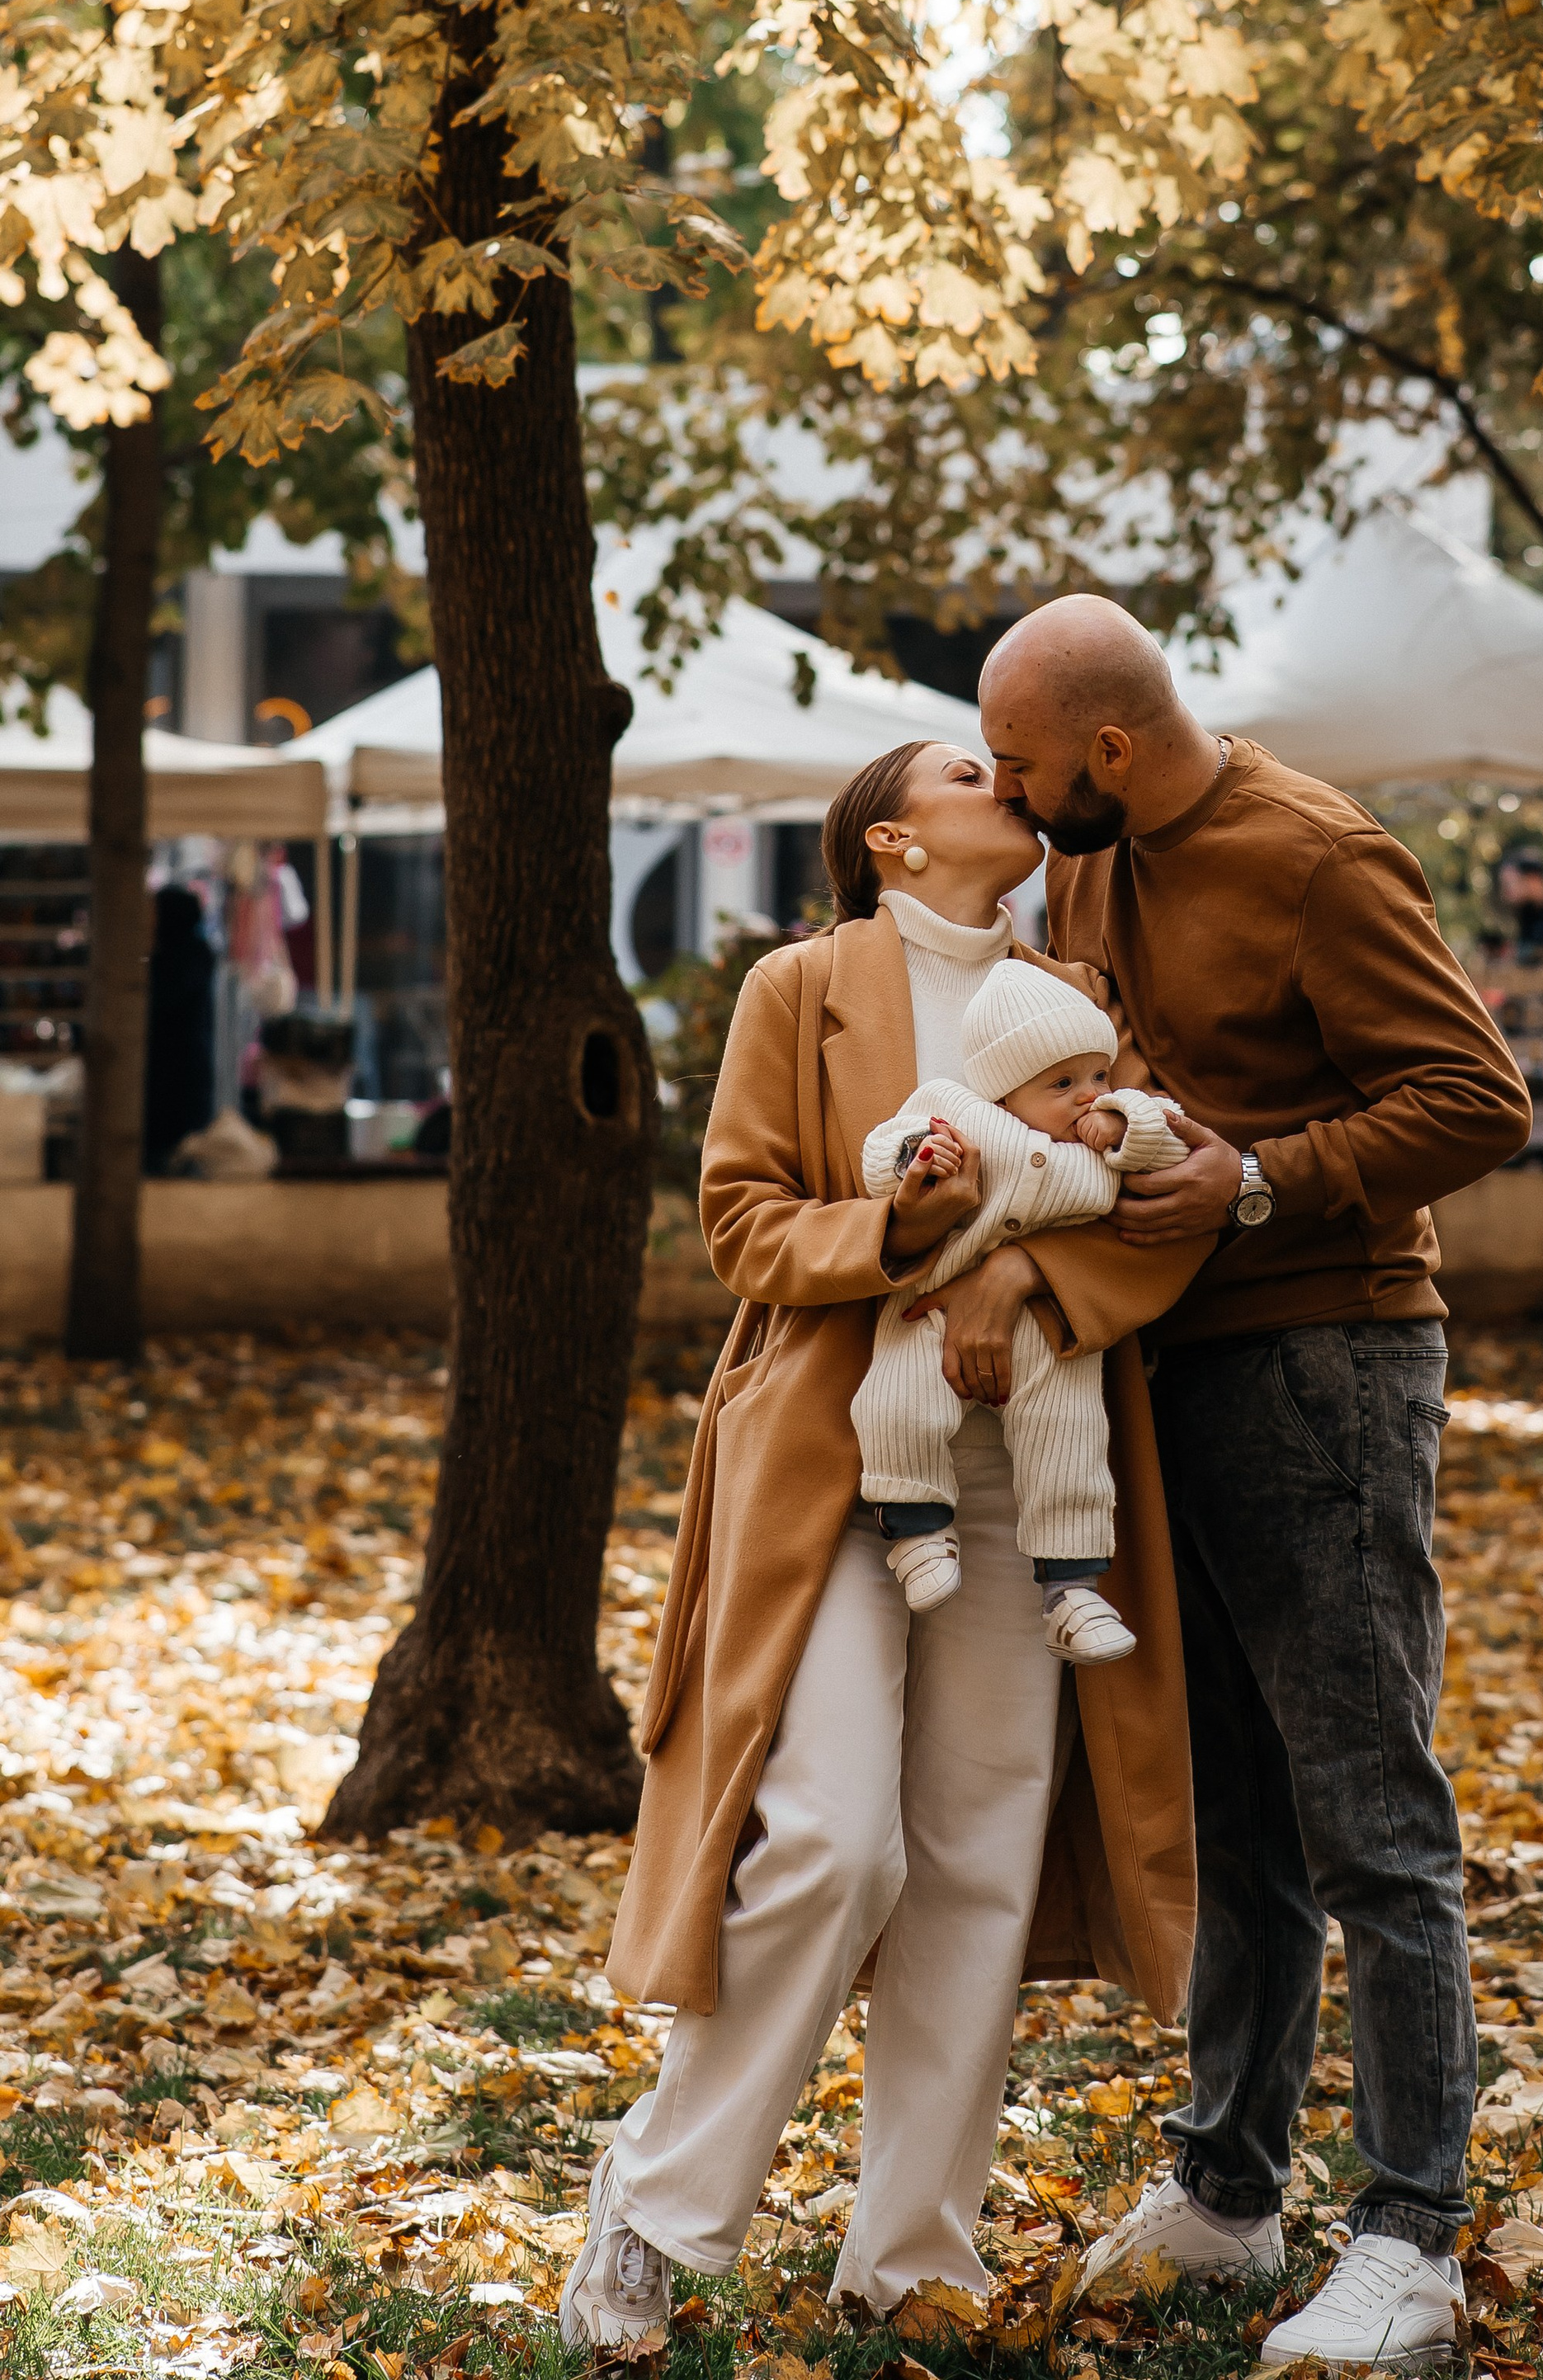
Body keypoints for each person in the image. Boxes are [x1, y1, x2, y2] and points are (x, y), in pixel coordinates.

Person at [564, 740, 1211, 2347]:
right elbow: (740, 1221)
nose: (1008, 779)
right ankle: (653, 2198)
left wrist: (1026, 1281)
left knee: (979, 1860)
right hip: (836, 1469)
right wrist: (909, 1231)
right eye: (966, 768)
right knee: (836, 1843)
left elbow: (1137, 1211)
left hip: (1029, 1483)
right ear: (889, 838)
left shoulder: (1073, 990)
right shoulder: (801, 989)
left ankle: (911, 2251)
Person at [979, 600, 1533, 2377]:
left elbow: (1475, 1097)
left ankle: (1412, 2241)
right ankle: (1229, 2190)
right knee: (1226, 1813)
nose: (1008, 792)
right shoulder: (1092, 862)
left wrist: (1257, 1185)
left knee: (1367, 1812)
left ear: (1112, 749)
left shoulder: (1317, 858)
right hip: (1157, 1372)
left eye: (1023, 763)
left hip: (1327, 1369)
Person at [856, 953, 1186, 1661]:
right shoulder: (962, 1110)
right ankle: (916, 1529)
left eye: (1098, 1075)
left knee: (1069, 1437)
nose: (1086, 1096)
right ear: (1005, 1091)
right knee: (898, 1401)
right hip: (933, 1309)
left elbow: (1169, 1134)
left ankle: (1072, 1590)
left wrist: (1126, 1124)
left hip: (1046, 1325)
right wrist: (921, 1153)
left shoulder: (1101, 1146)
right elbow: (882, 1150)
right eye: (1061, 1084)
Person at [144, 884, 216, 1171]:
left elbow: (159, 1004)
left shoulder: (184, 960)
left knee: (173, 1159)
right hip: (179, 1078)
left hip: (177, 1080)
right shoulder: (192, 956)